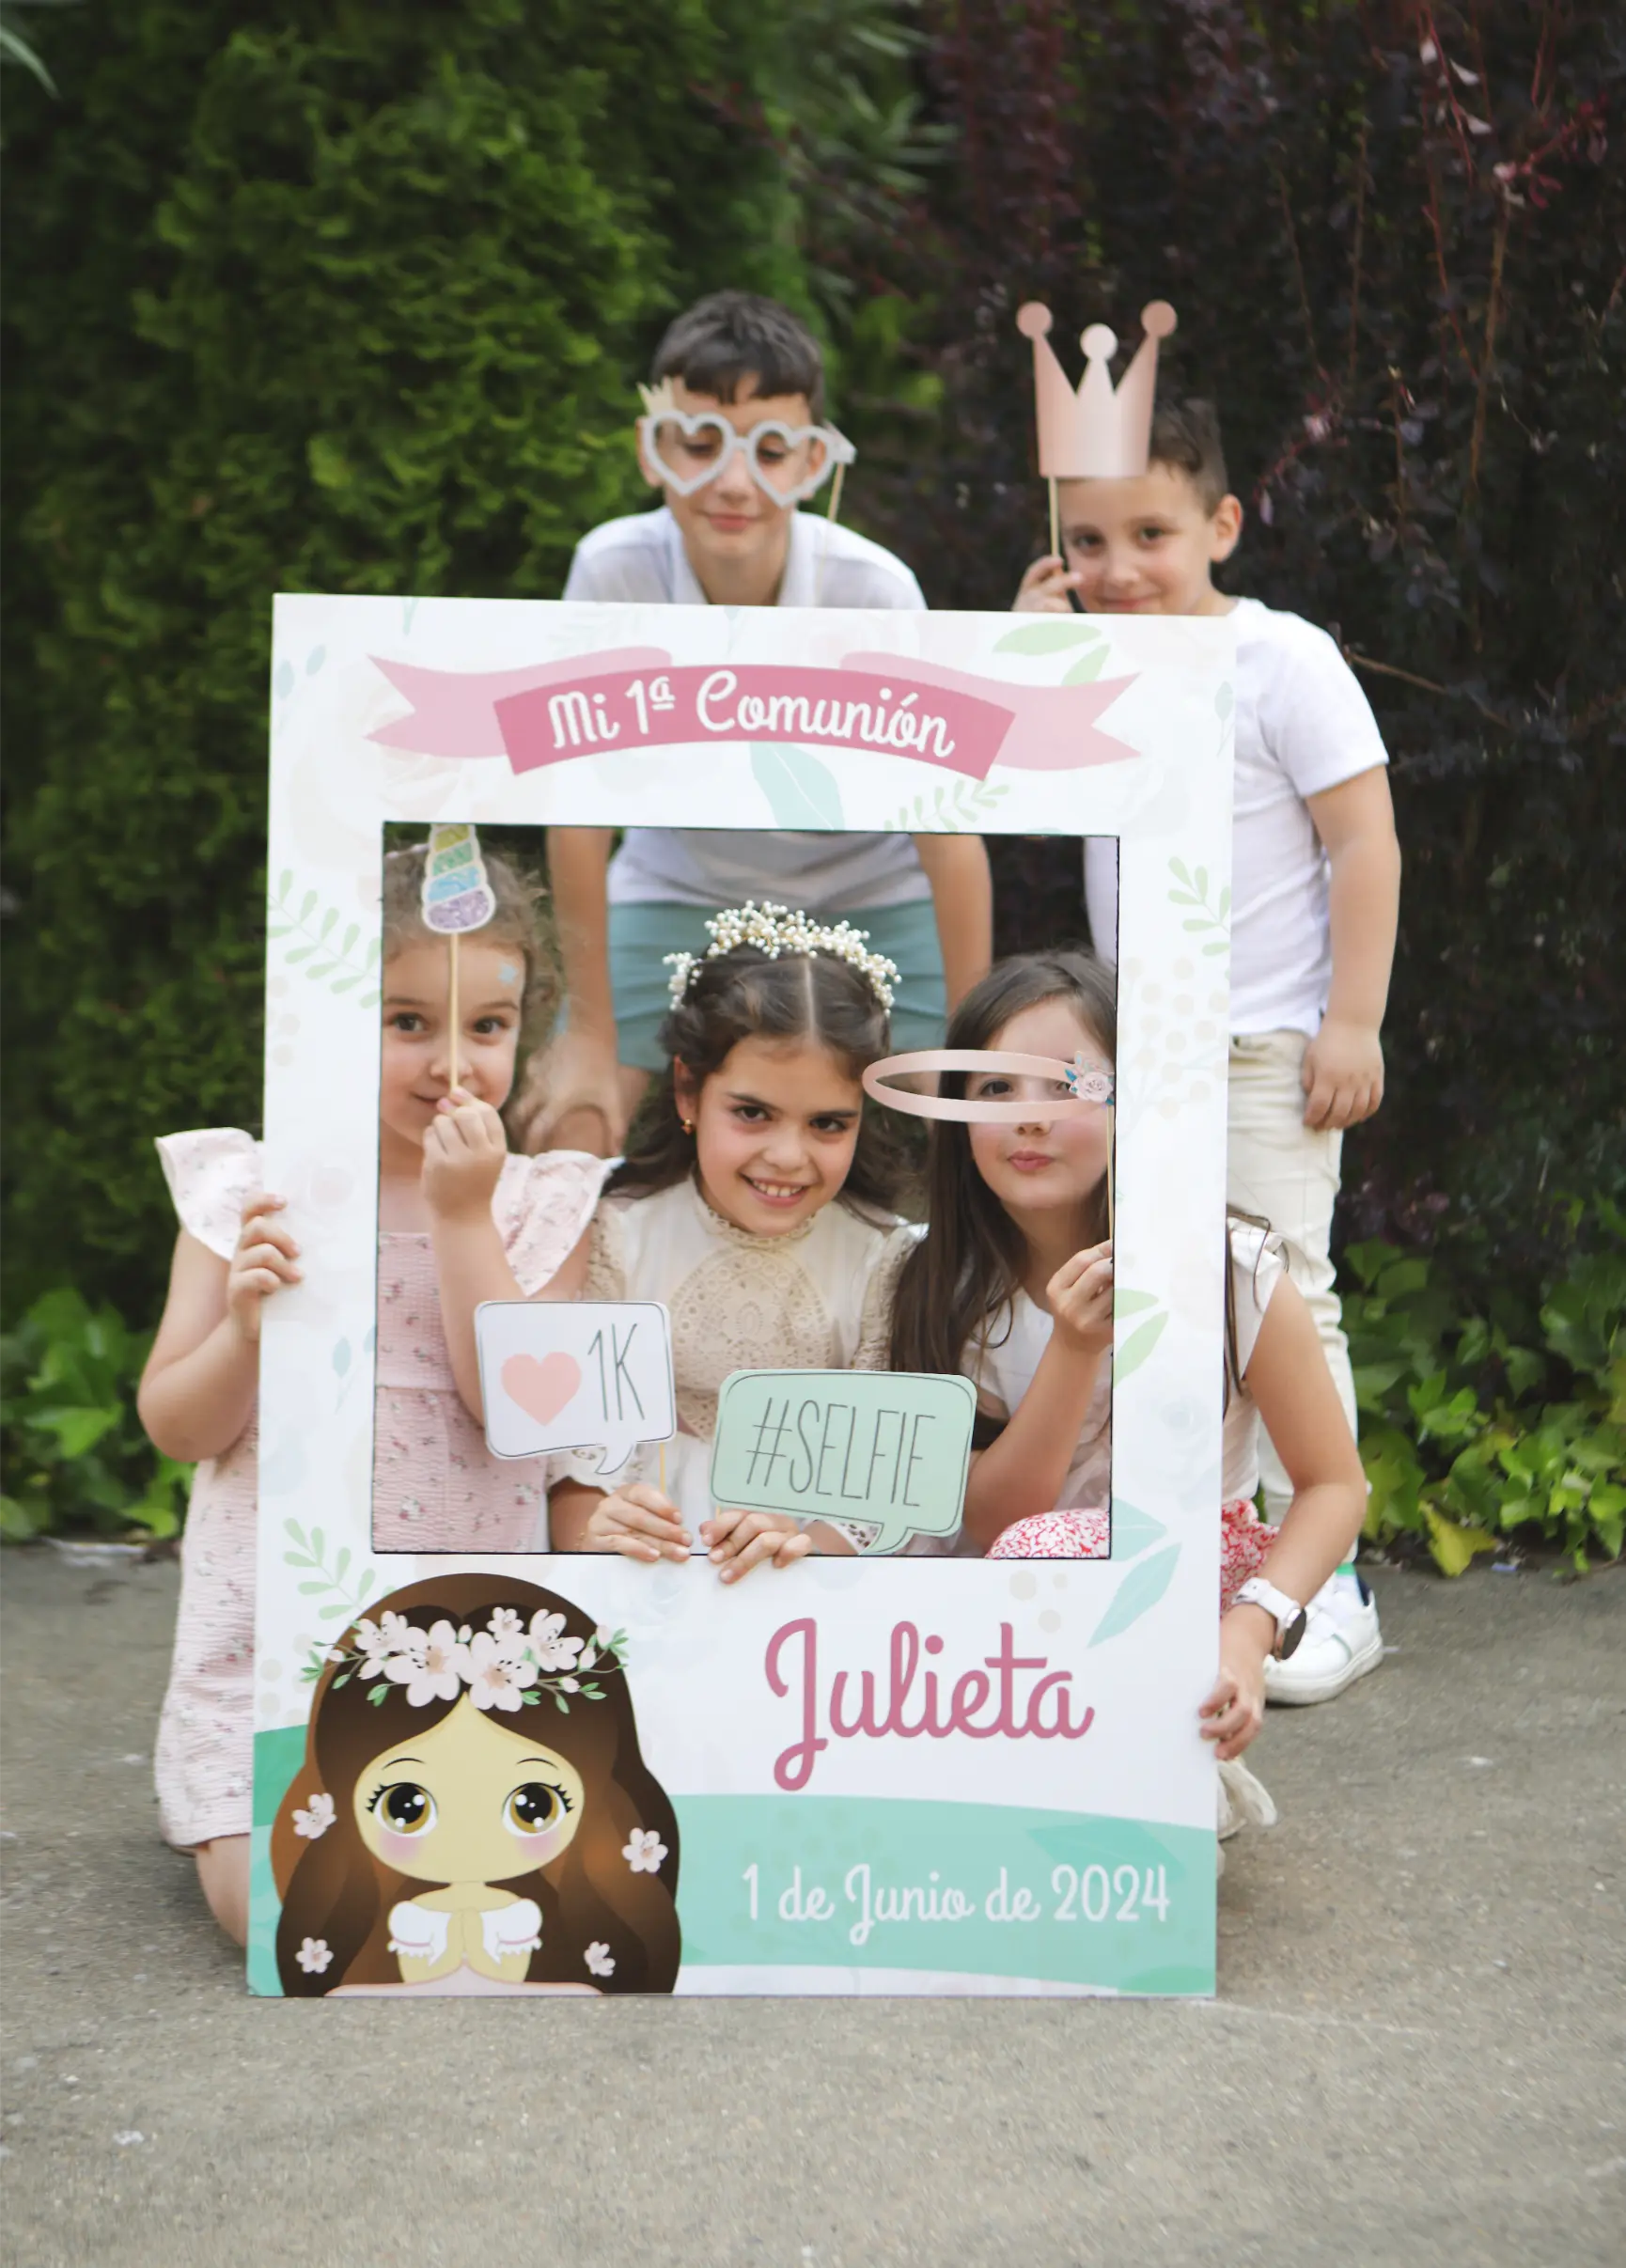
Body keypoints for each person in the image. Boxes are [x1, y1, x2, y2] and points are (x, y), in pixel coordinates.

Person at [138, 843, 608, 1946]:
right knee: (273, 1913)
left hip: (471, 1639)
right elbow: (175, 1425)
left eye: (486, 1026)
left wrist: (461, 1215)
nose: (450, 1062)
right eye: (405, 1021)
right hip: (274, 1633)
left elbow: (521, 1417)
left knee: (500, 1892)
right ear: (326, 1019)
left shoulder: (543, 1203)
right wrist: (245, 1333)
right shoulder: (248, 1195)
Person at [1012, 397, 1400, 1706]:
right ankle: (1194, 1554)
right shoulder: (1090, 660)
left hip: (1256, 1045)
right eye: (1086, 540)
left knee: (1281, 1289)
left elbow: (1362, 840)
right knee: (1164, 1300)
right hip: (1134, 1051)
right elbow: (1017, 789)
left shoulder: (1280, 659)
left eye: (1150, 534)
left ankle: (1324, 1586)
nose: (1116, 567)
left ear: (1222, 524)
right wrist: (1022, 663)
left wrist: (1350, 1018)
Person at [518, 289, 992, 1158]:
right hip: (677, 889)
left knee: (961, 1132)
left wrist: (972, 1045)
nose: (734, 482)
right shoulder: (612, 570)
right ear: (653, 450)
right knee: (569, 1127)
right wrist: (587, 1030)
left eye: (770, 451)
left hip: (873, 893)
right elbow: (577, 809)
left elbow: (948, 829)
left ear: (812, 460)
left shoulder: (873, 589)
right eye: (700, 445)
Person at [887, 950, 1368, 1787]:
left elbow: (1334, 1484)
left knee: (1049, 1556)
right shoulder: (943, 1284)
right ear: (957, 1118)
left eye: (1067, 1084)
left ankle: (1152, 1781)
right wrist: (1073, 1350)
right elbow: (997, 1521)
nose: (1028, 1118)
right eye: (997, 1088)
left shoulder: (1232, 1274)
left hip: (1184, 1573)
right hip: (1011, 1588)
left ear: (1134, 1100)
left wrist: (1249, 1628)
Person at [542, 901, 917, 1579]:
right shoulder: (616, 1232)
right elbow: (575, 1480)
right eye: (752, 1113)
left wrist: (801, 1549)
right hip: (641, 1570)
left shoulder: (881, 1257)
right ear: (688, 1091)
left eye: (828, 1124)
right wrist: (596, 1537)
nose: (788, 1155)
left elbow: (875, 1500)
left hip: (805, 1583)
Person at [270, 1573, 680, 1995]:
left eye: (533, 1805)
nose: (468, 1838)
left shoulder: (556, 1931)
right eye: (406, 1806)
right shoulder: (395, 1926)